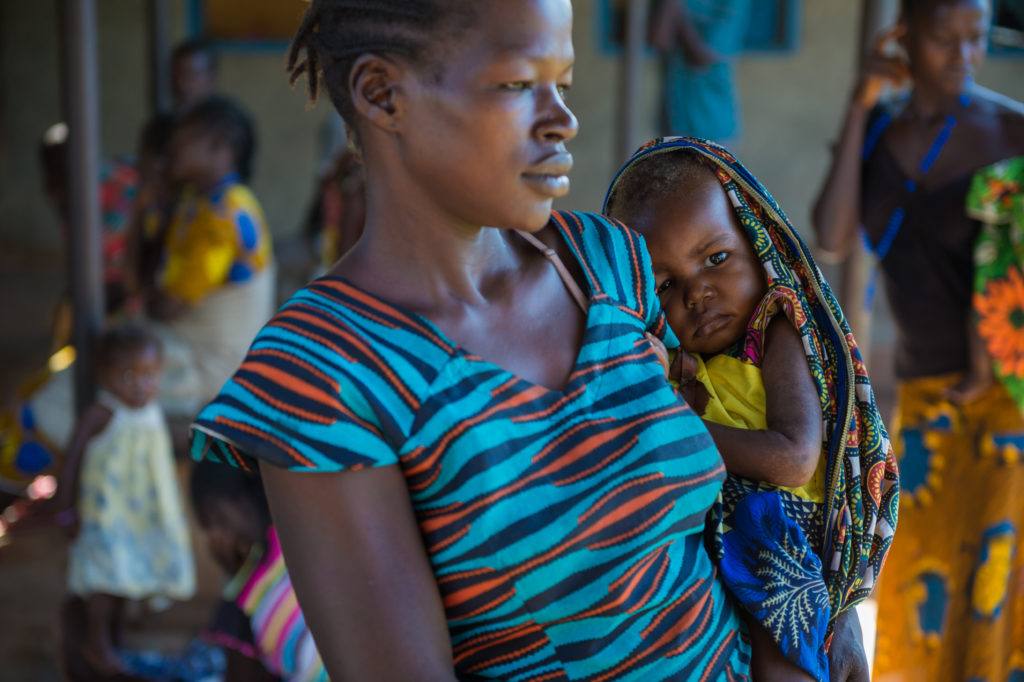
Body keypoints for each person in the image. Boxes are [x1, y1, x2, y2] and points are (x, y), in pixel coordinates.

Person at [189, 1, 759, 679]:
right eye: (519, 85)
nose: (562, 120)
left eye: (563, 84)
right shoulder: (327, 377)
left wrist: (813, 631)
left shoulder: (609, 265)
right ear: (382, 94)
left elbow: (753, 493)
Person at [605, 136, 898, 680]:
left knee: (781, 663)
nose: (698, 293)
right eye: (667, 284)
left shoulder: (776, 329)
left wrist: (671, 425)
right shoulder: (681, 361)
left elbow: (792, 460)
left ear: (756, 242)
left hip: (788, 548)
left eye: (716, 259)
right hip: (724, 559)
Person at [812, 0, 1024, 678]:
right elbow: (832, 234)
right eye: (943, 39)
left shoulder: (1010, 133)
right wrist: (858, 104)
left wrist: (989, 353)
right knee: (923, 580)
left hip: (1004, 403)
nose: (964, 56)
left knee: (989, 581)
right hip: (925, 395)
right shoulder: (878, 132)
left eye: (977, 39)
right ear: (905, 35)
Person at [45, 325, 195, 677]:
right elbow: (71, 462)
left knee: (126, 581)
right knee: (103, 580)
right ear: (104, 376)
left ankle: (114, 640)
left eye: (149, 376)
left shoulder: (153, 411)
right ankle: (97, 642)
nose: (140, 385)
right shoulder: (102, 414)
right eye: (127, 376)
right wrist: (64, 508)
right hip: (104, 517)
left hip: (140, 518)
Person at [151, 95, 275, 419]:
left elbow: (166, 306)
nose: (173, 146)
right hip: (193, 351)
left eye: (186, 137)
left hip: (211, 368)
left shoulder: (221, 218)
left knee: (98, 375)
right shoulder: (198, 201)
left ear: (221, 150)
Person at [190, 460, 327, 682]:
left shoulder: (260, 574)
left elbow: (241, 671)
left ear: (244, 501)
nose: (216, 538)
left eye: (218, 520)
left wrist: (234, 574)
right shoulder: (300, 539)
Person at [649, 0, 751, 144]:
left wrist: (678, 12)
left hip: (711, 121)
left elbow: (702, 58)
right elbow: (659, 40)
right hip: (674, 115)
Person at [171, 39, 218, 113]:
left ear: (211, 78)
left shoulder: (228, 122)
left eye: (190, 76)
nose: (181, 84)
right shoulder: (164, 123)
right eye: (176, 75)